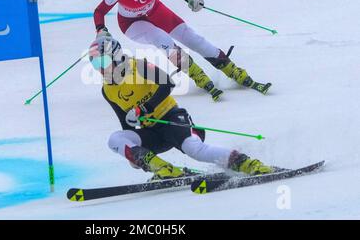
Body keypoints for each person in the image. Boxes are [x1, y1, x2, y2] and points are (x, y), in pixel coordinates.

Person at [93, 0, 271, 102]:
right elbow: (99, 11)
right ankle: (198, 76)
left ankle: (233, 70)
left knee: (191, 37)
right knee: (163, 40)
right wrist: (101, 30)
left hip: (155, 11)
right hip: (132, 23)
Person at [89, 36, 273, 180]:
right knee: (114, 139)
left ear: (116, 56)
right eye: (95, 64)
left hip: (171, 119)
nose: (99, 69)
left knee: (196, 151)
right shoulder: (107, 91)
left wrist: (144, 109)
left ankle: (247, 164)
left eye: (102, 62)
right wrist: (134, 154)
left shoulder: (138, 65)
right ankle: (163, 169)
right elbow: (126, 125)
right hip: (152, 134)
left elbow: (167, 84)